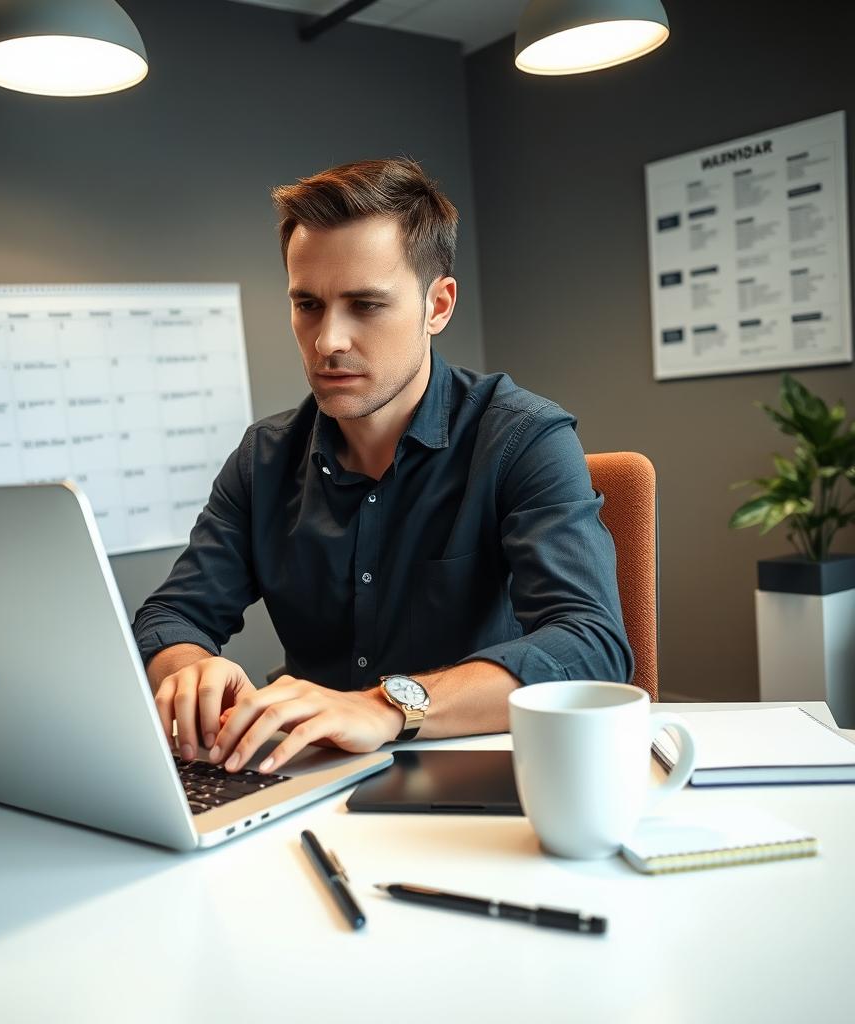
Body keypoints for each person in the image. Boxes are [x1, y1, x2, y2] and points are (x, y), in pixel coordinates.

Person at [132, 157, 632, 776]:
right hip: (305, 773)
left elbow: (591, 644)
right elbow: (170, 615)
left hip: (472, 773)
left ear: (438, 305)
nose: (327, 341)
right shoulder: (263, 459)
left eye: (365, 305)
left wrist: (387, 706)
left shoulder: (523, 438)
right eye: (308, 305)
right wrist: (190, 670)